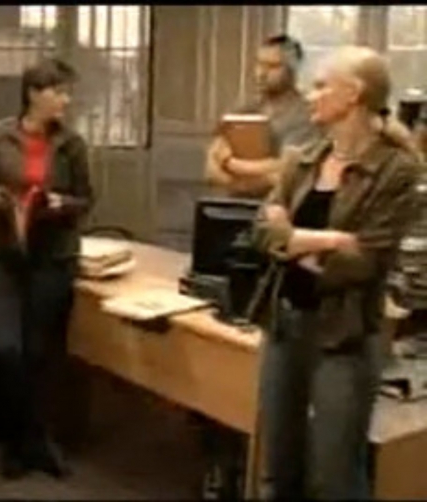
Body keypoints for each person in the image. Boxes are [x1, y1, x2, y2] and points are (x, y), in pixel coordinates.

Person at [248, 45, 421, 499]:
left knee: (334, 476)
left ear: (354, 94)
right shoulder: (302, 158)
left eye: (322, 85)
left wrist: (292, 240)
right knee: (277, 471)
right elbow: (262, 231)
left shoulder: (397, 170)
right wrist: (327, 241)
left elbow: (364, 262)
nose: (311, 94)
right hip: (285, 323)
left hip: (344, 335)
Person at [0, 58, 93, 481]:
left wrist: (60, 203)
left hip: (52, 258)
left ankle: (35, 443)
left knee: (41, 353)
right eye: (58, 91)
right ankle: (20, 438)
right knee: (8, 349)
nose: (65, 100)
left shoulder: (72, 144)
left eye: (67, 92)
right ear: (33, 94)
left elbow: (87, 199)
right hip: (5, 257)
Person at [205, 34, 322, 198]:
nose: (261, 73)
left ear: (292, 71)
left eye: (272, 66)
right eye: (259, 64)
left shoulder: (307, 115)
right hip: (233, 203)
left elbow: (290, 170)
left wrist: (231, 164)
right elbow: (211, 171)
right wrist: (251, 179)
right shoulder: (243, 110)